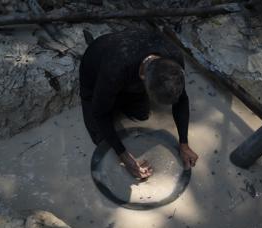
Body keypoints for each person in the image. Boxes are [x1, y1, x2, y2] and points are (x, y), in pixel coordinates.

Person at [79, 28, 198, 179]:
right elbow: (99, 114)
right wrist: (124, 157)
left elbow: (181, 99)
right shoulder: (115, 69)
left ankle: (116, 97)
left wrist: (184, 144)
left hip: (127, 65)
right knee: (102, 140)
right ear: (142, 76)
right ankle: (108, 97)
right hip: (96, 70)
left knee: (142, 114)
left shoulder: (174, 57)